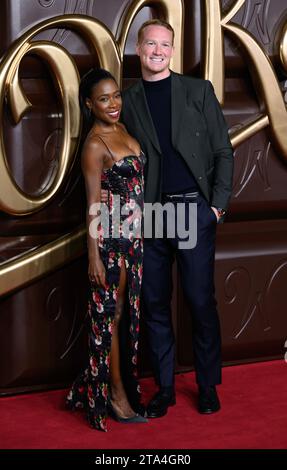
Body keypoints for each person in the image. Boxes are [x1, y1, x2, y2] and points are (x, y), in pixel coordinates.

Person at [119, 19, 234, 418]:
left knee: (200, 301)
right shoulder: (128, 100)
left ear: (172, 50)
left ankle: (207, 385)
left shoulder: (198, 91)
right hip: (151, 214)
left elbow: (223, 151)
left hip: (192, 209)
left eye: (164, 45)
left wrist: (215, 208)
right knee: (154, 303)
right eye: (150, 43)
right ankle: (165, 388)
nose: (157, 50)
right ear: (138, 47)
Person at [66, 68, 147, 431]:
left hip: (134, 242)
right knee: (109, 319)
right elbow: (92, 205)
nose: (113, 103)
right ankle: (114, 395)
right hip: (111, 243)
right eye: (104, 99)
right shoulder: (96, 145)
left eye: (116, 95)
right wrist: (94, 255)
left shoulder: (125, 131)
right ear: (89, 104)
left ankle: (109, 386)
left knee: (120, 318)